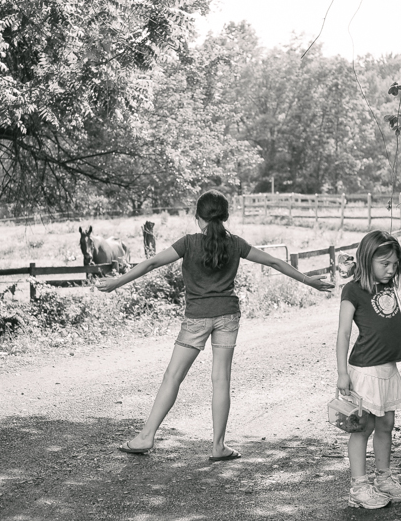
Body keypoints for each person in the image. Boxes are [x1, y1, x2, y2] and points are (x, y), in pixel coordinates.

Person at [96, 189, 334, 461]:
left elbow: (151, 263)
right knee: (221, 380)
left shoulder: (188, 243)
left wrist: (116, 282)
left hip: (196, 318)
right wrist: (309, 281)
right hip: (227, 316)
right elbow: (273, 261)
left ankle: (146, 437)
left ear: (198, 217)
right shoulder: (236, 244)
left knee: (173, 376)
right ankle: (218, 446)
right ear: (224, 216)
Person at [336, 230, 401, 509]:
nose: (391, 270)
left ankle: (384, 479)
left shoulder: (387, 284)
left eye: (395, 264)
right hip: (364, 370)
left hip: (388, 368)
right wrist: (342, 372)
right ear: (368, 261)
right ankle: (359, 487)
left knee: (386, 424)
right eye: (385, 264)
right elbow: (344, 332)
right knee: (362, 427)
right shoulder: (353, 290)